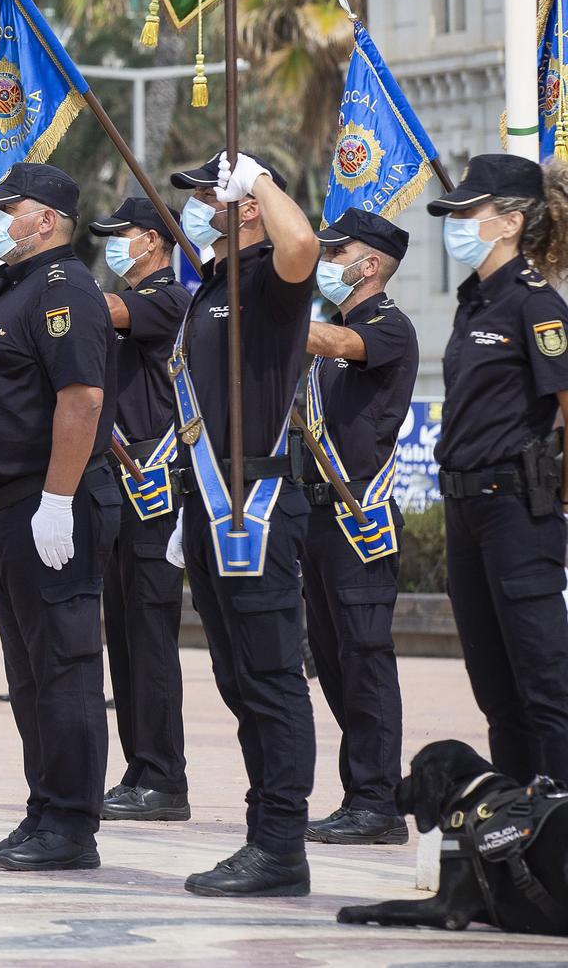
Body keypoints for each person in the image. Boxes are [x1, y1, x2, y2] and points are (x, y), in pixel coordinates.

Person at [0, 161, 118, 871]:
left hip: (47, 501)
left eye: (10, 210)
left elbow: (83, 400)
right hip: (4, 511)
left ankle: (71, 826)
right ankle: (43, 810)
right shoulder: (9, 286)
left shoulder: (67, 290)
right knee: (30, 674)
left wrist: (59, 500)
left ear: (47, 221)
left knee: (63, 668)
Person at [164, 151, 321, 896]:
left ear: (247, 206)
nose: (199, 203)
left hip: (253, 509)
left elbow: (305, 248)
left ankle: (282, 844)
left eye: (208, 193)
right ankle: (265, 832)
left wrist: (261, 179)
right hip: (207, 503)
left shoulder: (268, 281)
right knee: (237, 681)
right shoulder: (212, 288)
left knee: (269, 679)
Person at [432, 154, 568, 784]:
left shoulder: (535, 305)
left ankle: (559, 830)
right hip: (465, 508)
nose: (455, 223)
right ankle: (518, 825)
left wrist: (558, 497)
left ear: (509, 222)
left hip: (516, 507)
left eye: (468, 212)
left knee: (544, 683)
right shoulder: (474, 301)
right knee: (495, 688)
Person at [298, 208, 417, 846]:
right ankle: (360, 793)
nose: (326, 265)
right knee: (337, 662)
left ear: (369, 263)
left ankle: (378, 803)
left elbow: (340, 345)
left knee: (366, 658)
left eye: (335, 254)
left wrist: (276, 309)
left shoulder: (385, 325)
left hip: (360, 515)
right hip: (320, 515)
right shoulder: (333, 332)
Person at [89, 197, 192, 822]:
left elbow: (102, 311)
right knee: (123, 636)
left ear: (152, 242)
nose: (112, 245)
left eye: (120, 234)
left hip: (154, 482)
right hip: (118, 482)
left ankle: (164, 777)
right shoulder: (124, 302)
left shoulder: (166, 299)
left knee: (150, 635)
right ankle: (139, 768)